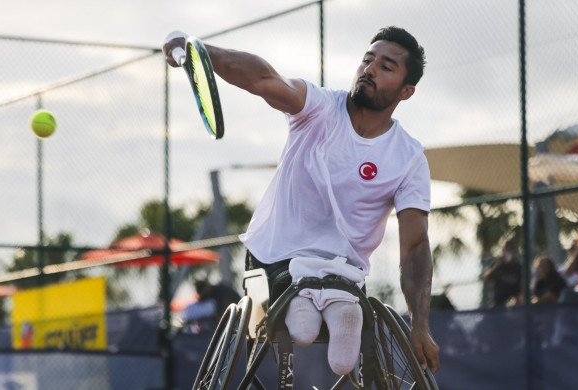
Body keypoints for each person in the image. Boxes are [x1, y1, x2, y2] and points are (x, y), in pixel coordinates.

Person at [163, 25, 440, 375]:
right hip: (274, 259)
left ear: (406, 91)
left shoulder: (409, 158)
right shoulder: (320, 108)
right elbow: (264, 79)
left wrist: (420, 324)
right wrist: (200, 52)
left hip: (342, 274)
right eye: (367, 60)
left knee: (346, 347)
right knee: (303, 328)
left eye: (386, 66)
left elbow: (415, 247)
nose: (369, 69)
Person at [481, 237, 523, 307]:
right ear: (503, 250)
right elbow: (486, 278)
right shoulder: (497, 263)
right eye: (507, 248)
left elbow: (522, 285)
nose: (509, 251)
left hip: (514, 305)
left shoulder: (517, 266)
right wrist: (497, 265)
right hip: (498, 304)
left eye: (511, 248)